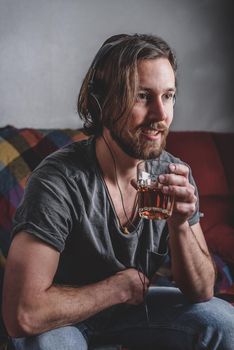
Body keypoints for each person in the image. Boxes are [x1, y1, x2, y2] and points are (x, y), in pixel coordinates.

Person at [3, 33, 234, 350]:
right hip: (61, 316)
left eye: (168, 96)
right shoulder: (58, 180)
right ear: (103, 103)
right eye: (143, 96)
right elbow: (22, 314)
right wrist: (116, 289)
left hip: (136, 310)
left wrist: (180, 224)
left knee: (224, 322)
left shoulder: (173, 173)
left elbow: (201, 291)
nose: (161, 115)